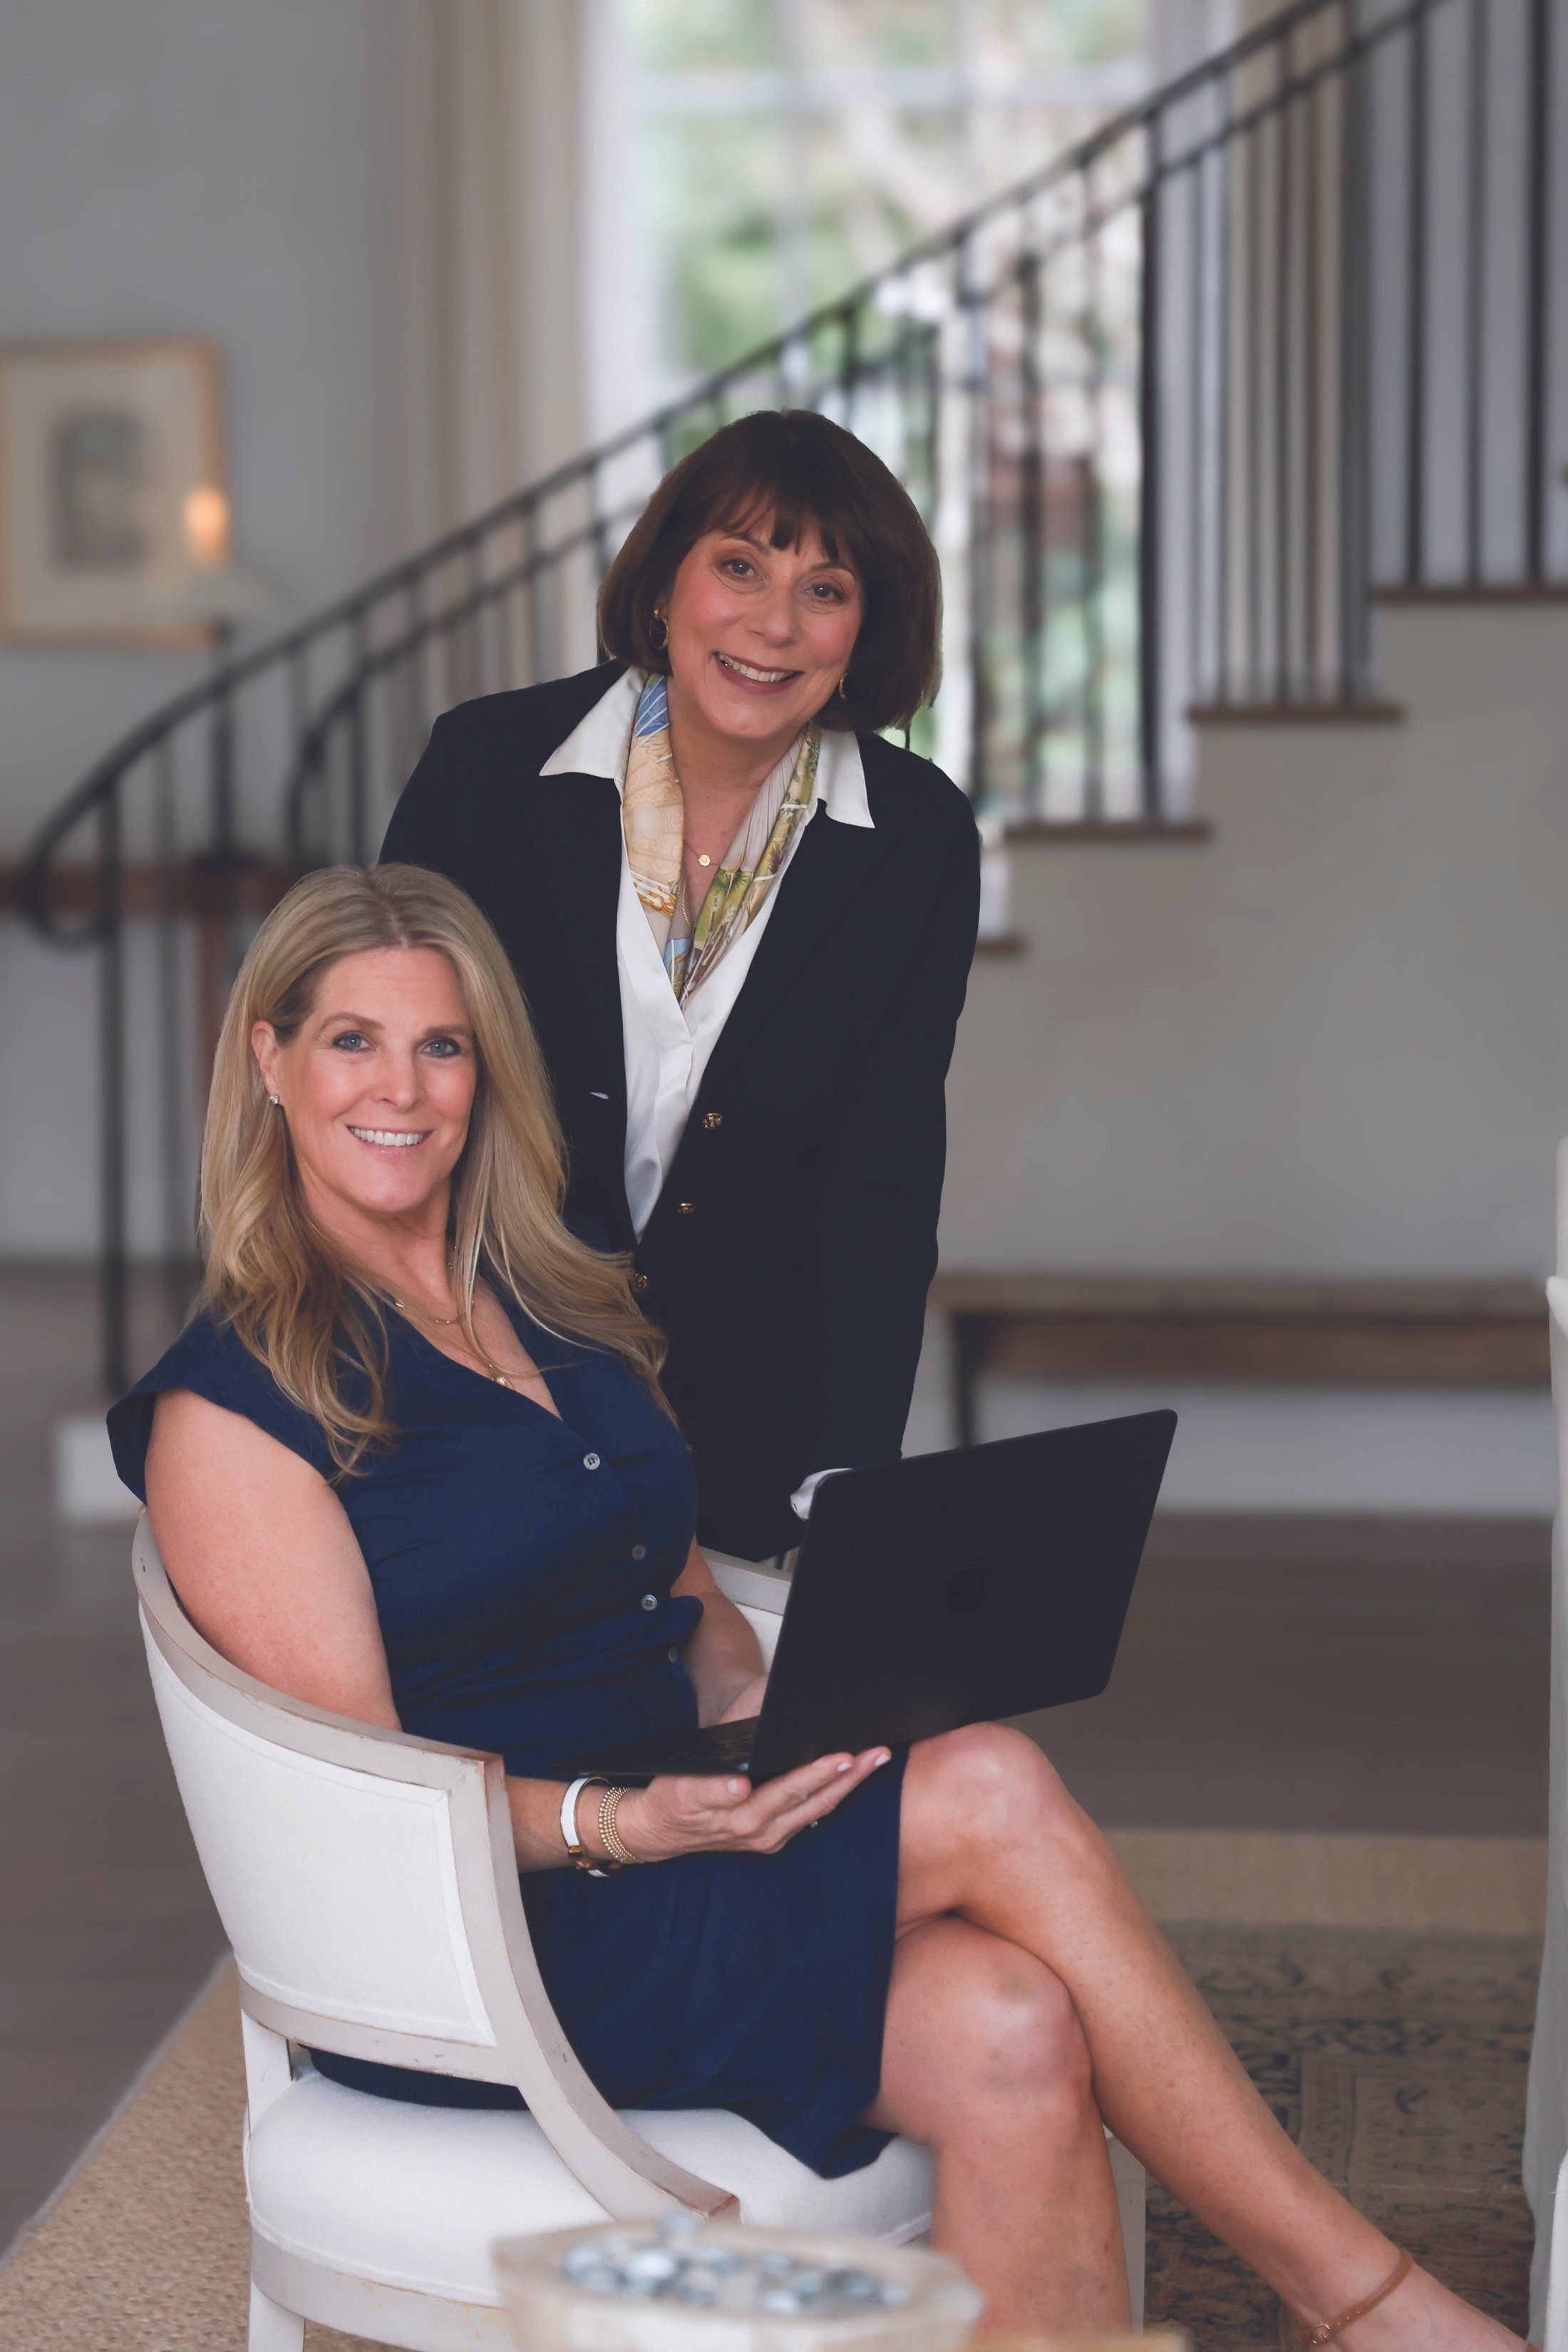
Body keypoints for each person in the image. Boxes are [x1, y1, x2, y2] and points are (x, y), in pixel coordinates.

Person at [110, 865, 1524, 2346]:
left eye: (440, 1045)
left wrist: (749, 1704)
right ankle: (1356, 2298)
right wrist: (617, 1822)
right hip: (505, 1936)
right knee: (987, 1782)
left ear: (483, 1074)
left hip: (686, 1833)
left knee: (1010, 2029)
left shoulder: (550, 1309)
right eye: (351, 1040)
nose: (399, 1087)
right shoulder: (239, 1411)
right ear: (268, 1061)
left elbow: (679, 1587)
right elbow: (367, 1812)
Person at [380, 408, 979, 1564]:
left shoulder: (916, 837)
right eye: (740, 566)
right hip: (485, 1367)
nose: (774, 624)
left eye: (827, 588)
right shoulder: (489, 768)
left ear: (869, 627)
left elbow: (883, 1170)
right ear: (665, 581)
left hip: (747, 1411)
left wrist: (849, 1468)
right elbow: (393, 1082)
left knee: (739, 1728)